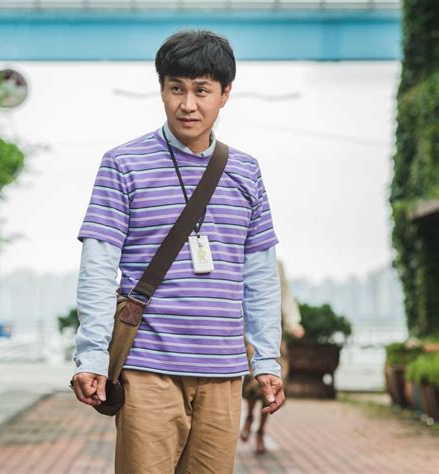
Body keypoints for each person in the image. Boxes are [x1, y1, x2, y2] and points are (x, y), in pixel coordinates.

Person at [71, 30, 285, 474]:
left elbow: (260, 274)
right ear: (162, 89)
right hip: (147, 368)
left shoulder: (246, 171)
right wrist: (91, 355)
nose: (188, 104)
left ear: (225, 94)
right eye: (176, 89)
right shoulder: (123, 164)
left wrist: (266, 358)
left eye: (202, 90)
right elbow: (98, 265)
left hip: (224, 371)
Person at [240, 259, 305, 455]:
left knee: (274, 384)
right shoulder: (241, 258)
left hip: (274, 334)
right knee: (252, 384)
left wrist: (293, 323)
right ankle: (249, 417)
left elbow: (285, 293)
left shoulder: (276, 264)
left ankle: (261, 431)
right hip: (249, 334)